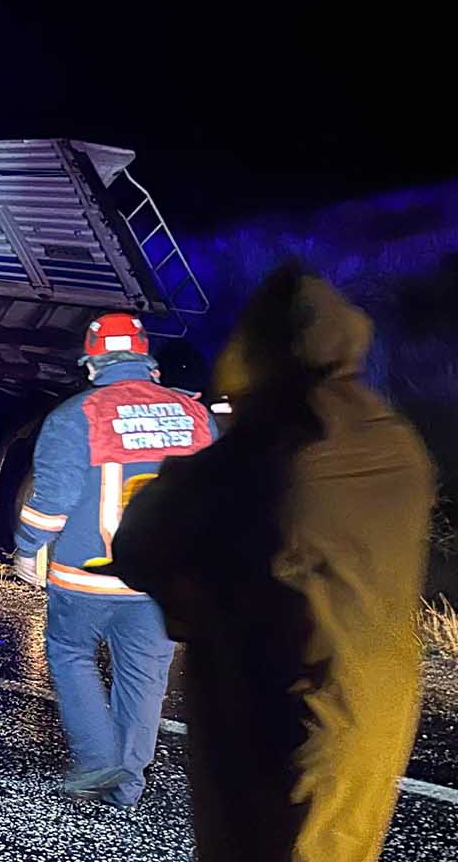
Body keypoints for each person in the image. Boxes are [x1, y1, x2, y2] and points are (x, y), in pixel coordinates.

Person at [108, 266, 435, 861]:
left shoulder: (267, 452)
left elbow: (141, 542)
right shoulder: (396, 443)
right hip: (375, 700)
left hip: (277, 711)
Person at [12, 311, 217, 805]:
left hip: (87, 576)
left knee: (70, 655)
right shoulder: (196, 417)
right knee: (144, 676)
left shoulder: (73, 417)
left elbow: (51, 503)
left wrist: (25, 549)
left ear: (92, 364)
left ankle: (99, 761)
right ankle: (126, 785)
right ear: (150, 363)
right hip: (163, 580)